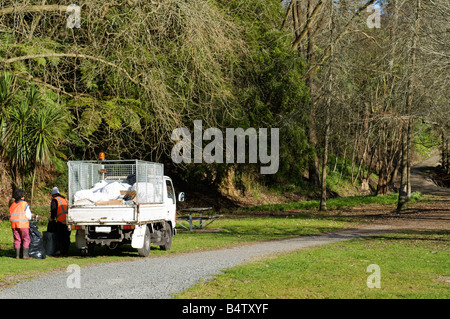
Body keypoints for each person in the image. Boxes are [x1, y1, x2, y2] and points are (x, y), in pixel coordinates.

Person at [9, 189, 33, 259]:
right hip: (23, 224)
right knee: (26, 239)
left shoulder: (12, 205)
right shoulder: (24, 204)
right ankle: (25, 255)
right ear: (22, 196)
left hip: (14, 225)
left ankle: (17, 255)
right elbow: (29, 216)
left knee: (17, 239)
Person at [49, 187, 71, 256]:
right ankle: (66, 252)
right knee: (66, 237)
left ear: (53, 194)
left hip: (60, 221)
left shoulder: (55, 200)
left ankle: (60, 252)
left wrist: (52, 218)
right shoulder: (64, 199)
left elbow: (54, 210)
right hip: (68, 221)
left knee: (60, 237)